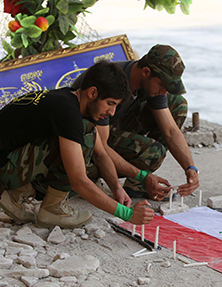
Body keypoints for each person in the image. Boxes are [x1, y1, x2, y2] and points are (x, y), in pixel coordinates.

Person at [0, 61, 154, 229]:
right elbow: (78, 181)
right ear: (93, 93)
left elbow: (101, 154)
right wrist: (128, 214)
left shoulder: (70, 99)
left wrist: (117, 189)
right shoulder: (67, 111)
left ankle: (15, 194)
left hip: (2, 164)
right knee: (84, 137)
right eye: (110, 103)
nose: (112, 112)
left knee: (88, 135)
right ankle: (51, 208)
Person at [72, 44, 200, 202]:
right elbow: (101, 150)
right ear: (146, 72)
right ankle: (89, 178)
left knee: (177, 103)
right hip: (85, 140)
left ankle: (136, 185)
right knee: (153, 151)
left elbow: (170, 131)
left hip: (112, 128)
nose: (164, 92)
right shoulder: (112, 84)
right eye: (162, 85)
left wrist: (190, 168)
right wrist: (134, 179)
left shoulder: (149, 83)